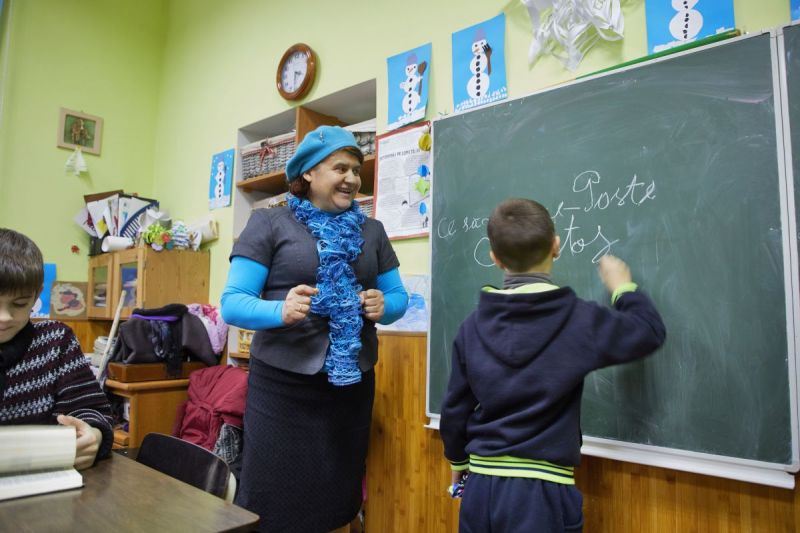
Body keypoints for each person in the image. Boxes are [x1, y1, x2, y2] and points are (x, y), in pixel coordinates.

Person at [221, 125, 409, 532]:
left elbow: (398, 300)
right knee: (274, 498)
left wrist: (383, 305)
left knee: (338, 495)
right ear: (307, 172)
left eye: (357, 170)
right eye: (340, 167)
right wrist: (280, 311)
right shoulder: (269, 223)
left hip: (351, 387)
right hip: (282, 391)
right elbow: (232, 303)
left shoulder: (372, 231)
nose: (352, 179)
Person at [439, 198, 666, 533]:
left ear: (494, 258)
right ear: (556, 246)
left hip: (481, 487)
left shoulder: (471, 327)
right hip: (542, 492)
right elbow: (648, 331)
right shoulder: (578, 319)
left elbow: (455, 408)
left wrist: (458, 461)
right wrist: (622, 288)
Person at [0, 228, 113, 469]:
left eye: (19, 304)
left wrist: (94, 434)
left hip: (45, 486)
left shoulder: (56, 341)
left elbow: (91, 411)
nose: (4, 317)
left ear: (36, 295)